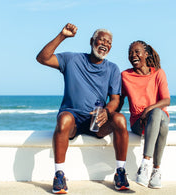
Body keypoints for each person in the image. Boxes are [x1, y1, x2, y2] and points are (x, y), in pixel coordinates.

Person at [36, 23, 130, 194]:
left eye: (108, 42)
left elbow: (115, 100)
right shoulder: (72, 59)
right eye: (100, 39)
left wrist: (106, 112)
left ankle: (120, 172)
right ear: (91, 41)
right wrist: (62, 36)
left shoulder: (112, 69)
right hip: (73, 120)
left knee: (120, 119)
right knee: (64, 119)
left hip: (97, 122)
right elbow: (42, 58)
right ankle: (59, 175)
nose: (104, 44)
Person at [118, 40, 170, 189]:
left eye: (137, 52)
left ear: (146, 54)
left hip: (157, 118)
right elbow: (119, 100)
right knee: (163, 124)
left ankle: (149, 167)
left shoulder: (158, 73)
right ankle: (153, 168)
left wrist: (147, 110)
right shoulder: (125, 76)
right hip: (138, 124)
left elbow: (166, 99)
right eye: (130, 53)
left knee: (158, 115)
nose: (133, 55)